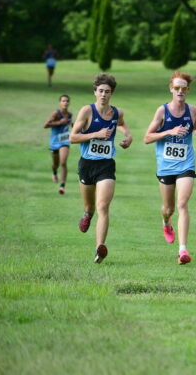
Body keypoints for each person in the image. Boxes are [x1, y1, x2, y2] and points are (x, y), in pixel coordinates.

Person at [143, 72, 196, 265]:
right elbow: (147, 138)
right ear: (171, 89)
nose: (180, 91)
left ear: (188, 90)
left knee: (182, 204)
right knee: (169, 208)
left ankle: (183, 250)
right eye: (177, 88)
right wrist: (169, 131)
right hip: (166, 166)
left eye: (184, 88)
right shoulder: (162, 111)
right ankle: (166, 222)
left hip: (186, 164)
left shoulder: (193, 111)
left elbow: (195, 127)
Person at [70, 74, 132, 263]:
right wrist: (95, 134)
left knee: (103, 206)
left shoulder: (117, 113)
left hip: (106, 164)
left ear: (112, 94)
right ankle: (87, 215)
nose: (104, 94)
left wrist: (128, 136)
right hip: (87, 165)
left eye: (107, 91)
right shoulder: (87, 111)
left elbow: (121, 124)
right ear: (95, 92)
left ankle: (99, 248)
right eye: (101, 91)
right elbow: (73, 137)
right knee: (90, 207)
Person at [43, 94, 73, 195]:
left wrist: (73, 125)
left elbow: (70, 124)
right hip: (55, 141)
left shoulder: (69, 114)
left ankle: (62, 186)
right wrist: (59, 122)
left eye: (67, 101)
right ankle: (54, 172)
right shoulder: (56, 113)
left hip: (65, 140)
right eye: (63, 101)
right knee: (55, 164)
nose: (65, 103)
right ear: (60, 103)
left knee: (63, 162)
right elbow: (46, 125)